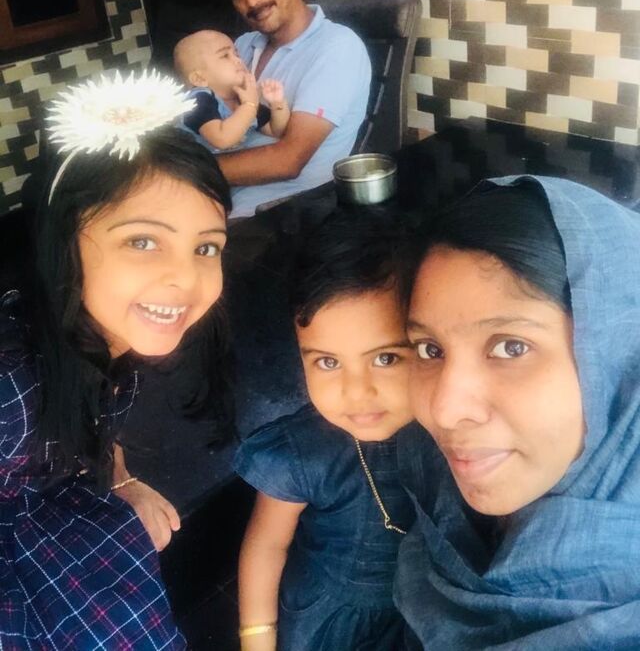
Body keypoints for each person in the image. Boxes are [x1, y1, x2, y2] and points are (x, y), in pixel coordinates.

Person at [0, 70, 233, 649]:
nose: (185, 278)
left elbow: (95, 421)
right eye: (143, 241)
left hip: (56, 517)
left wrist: (122, 477)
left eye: (206, 247)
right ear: (66, 241)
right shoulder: (10, 385)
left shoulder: (107, 343)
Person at [396, 175, 640, 649]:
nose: (445, 411)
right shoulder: (436, 494)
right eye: (429, 349)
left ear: (619, 358)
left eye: (511, 347)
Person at [234, 210, 416, 650]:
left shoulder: (448, 430)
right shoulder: (304, 452)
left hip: (419, 611)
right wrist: (257, 639)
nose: (356, 393)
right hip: (330, 622)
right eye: (328, 362)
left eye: (386, 358)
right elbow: (266, 545)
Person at [209, 0, 371, 217]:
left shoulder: (337, 47)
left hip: (278, 218)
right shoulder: (242, 46)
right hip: (212, 200)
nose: (252, 1)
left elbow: (289, 160)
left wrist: (186, 169)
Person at [174, 29, 290, 150]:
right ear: (199, 79)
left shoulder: (242, 97)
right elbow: (221, 139)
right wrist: (249, 105)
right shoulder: (198, 101)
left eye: (237, 54)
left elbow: (274, 131)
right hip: (207, 160)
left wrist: (277, 104)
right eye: (225, 56)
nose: (238, 60)